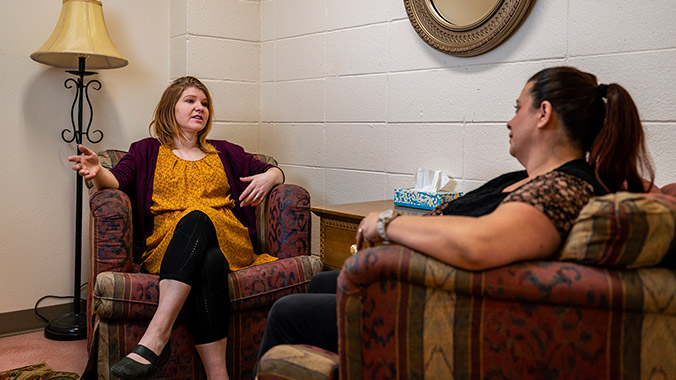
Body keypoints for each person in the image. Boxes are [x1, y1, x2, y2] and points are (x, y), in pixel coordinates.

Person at [250, 66, 655, 375]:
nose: (510, 121)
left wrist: (388, 224)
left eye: (518, 108)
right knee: (322, 280)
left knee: (287, 312)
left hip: (436, 307)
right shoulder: (528, 181)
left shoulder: (565, 188)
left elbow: (479, 243)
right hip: (416, 279)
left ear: (544, 113)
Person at [69, 76, 284, 380]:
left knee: (198, 217)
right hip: (169, 246)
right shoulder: (145, 151)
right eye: (191, 101)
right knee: (210, 262)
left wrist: (271, 176)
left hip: (228, 236)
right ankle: (219, 376)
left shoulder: (225, 151)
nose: (200, 108)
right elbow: (117, 181)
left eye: (205, 103)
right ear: (170, 108)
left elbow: (271, 169)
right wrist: (98, 171)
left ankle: (156, 337)